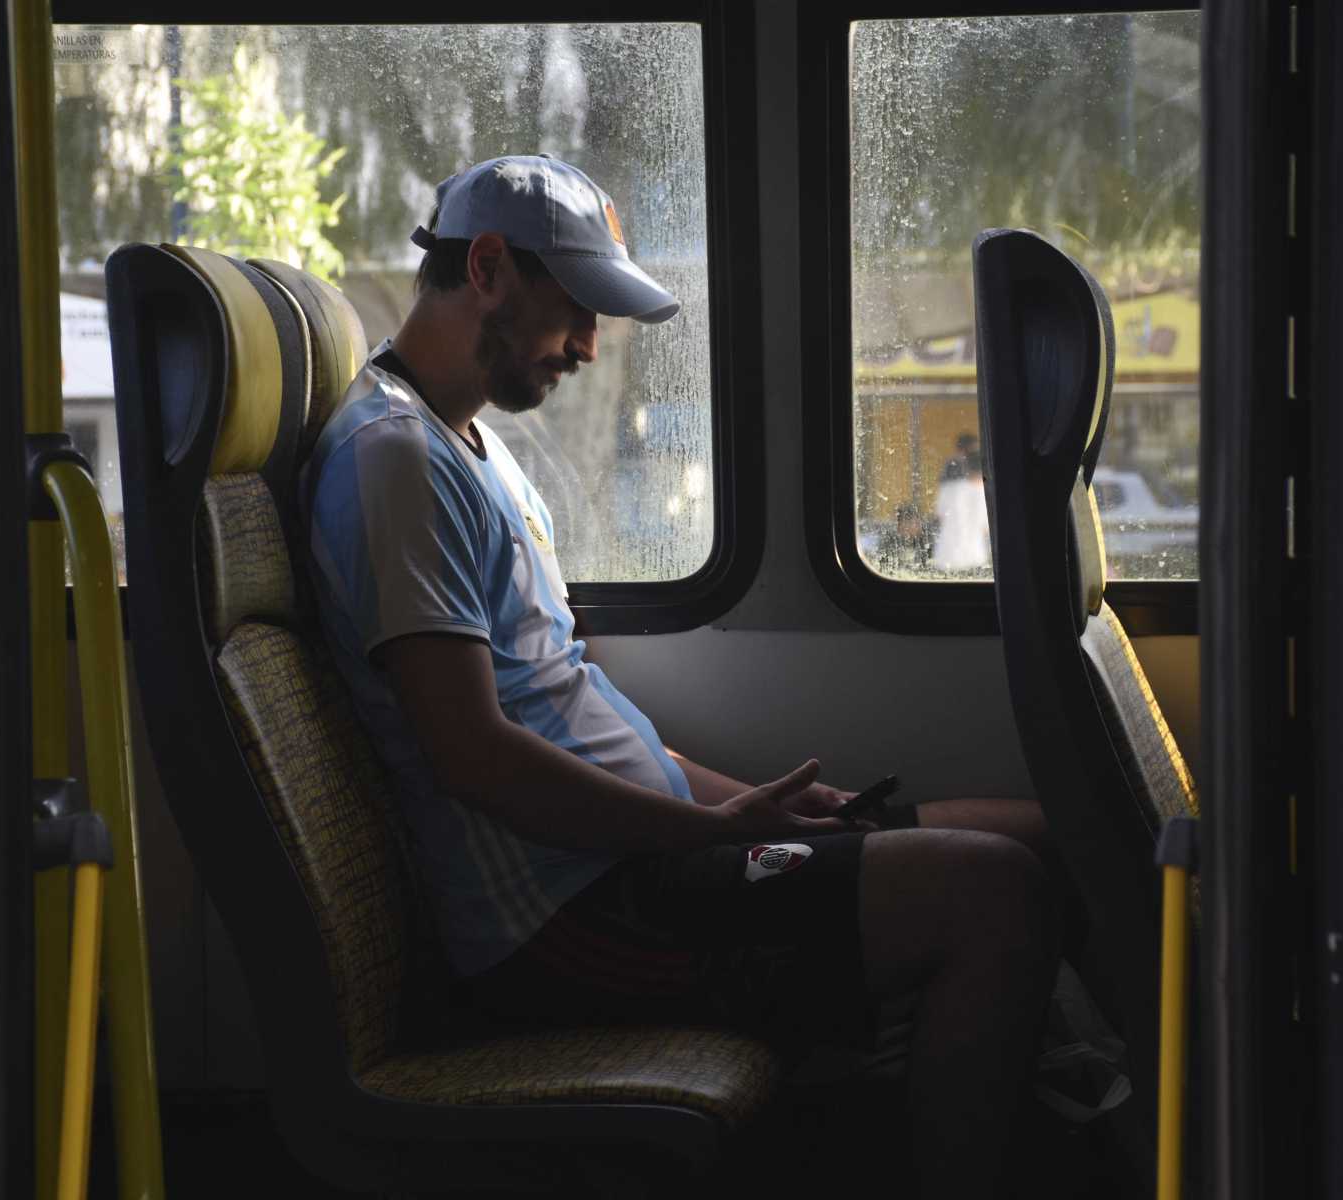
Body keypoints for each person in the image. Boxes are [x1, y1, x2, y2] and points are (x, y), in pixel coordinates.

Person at [303, 155, 1060, 1197]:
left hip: (652, 864)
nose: (589, 345)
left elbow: (583, 714)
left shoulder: (473, 449)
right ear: (486, 266)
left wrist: (745, 811)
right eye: (577, 308)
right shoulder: (395, 462)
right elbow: (472, 756)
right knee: (994, 892)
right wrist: (702, 832)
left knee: (1038, 830)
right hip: (576, 921)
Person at [931, 433, 991, 573]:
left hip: (947, 555)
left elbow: (940, 516)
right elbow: (986, 529)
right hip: (975, 556)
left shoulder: (949, 489)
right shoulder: (988, 494)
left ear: (966, 467)